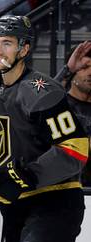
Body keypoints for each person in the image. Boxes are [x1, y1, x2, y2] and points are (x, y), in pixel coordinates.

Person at [0, 15, 89, 242]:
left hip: (54, 201)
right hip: (15, 203)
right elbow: (2, 131)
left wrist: (27, 175)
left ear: (25, 48)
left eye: (7, 43)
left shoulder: (41, 92)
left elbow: (76, 147)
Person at [55, 41, 91, 186]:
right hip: (65, 191)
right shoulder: (59, 105)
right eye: (85, 67)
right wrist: (67, 70)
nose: (90, 72)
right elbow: (39, 99)